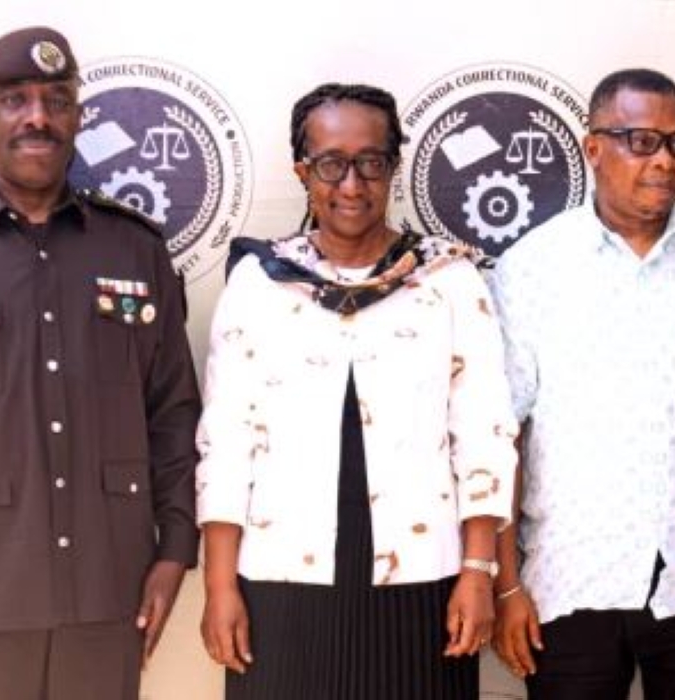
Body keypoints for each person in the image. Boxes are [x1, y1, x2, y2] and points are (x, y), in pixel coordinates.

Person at [0, 26, 201, 700]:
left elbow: (173, 413)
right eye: (14, 100)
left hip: (109, 591)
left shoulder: (134, 250)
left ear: (77, 116)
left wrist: (175, 548)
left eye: (57, 100)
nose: (38, 118)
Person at [196, 82, 518, 700]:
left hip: (424, 581)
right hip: (280, 579)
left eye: (371, 163)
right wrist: (219, 586)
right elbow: (227, 441)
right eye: (331, 164)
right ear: (302, 172)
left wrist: (479, 572)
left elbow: (484, 432)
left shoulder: (447, 279)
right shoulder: (260, 283)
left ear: (393, 169)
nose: (351, 184)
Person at [488, 68, 675, 700]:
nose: (664, 162)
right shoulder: (531, 269)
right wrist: (506, 584)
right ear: (593, 147)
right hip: (571, 581)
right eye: (641, 141)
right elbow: (503, 436)